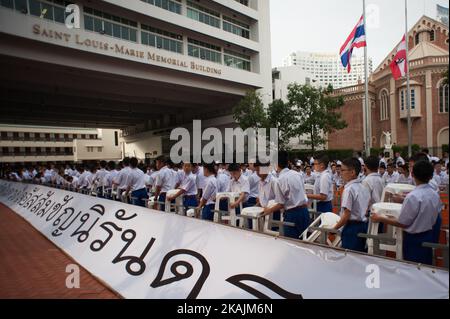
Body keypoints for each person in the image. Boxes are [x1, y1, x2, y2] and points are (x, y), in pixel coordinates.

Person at [371, 160, 442, 265]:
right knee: (425, 267)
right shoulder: (434, 194)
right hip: (428, 234)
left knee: (412, 267)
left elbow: (402, 222)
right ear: (431, 176)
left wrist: (380, 218)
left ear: (412, 174)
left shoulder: (413, 196)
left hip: (414, 239)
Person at [263, 152, 310, 239]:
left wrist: (268, 210)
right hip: (304, 212)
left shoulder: (280, 180)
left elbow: (281, 203)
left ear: (275, 164)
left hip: (292, 214)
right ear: (288, 162)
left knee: (292, 243)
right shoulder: (297, 174)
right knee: (305, 242)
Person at [333, 158, 370, 252]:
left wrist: (334, 229)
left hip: (352, 228)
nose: (340, 173)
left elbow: (346, 215)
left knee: (349, 258)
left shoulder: (349, 189)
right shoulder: (363, 187)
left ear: (352, 172)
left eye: (343, 170)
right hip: (363, 225)